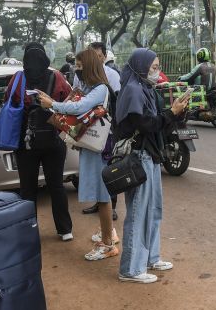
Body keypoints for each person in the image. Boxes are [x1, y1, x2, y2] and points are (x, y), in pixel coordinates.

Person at [115, 48, 188, 283]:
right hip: (139, 157)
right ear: (141, 66)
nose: (157, 72)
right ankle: (130, 269)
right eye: (153, 67)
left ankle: (150, 257)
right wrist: (171, 113)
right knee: (138, 212)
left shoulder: (146, 89)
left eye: (158, 67)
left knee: (154, 210)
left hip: (152, 155)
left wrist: (176, 113)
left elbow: (159, 125)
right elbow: (146, 124)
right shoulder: (133, 91)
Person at [38, 48, 119, 261]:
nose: (77, 69)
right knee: (101, 194)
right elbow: (74, 105)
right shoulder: (88, 86)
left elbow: (79, 107)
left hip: (98, 148)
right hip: (92, 146)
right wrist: (52, 102)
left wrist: (52, 104)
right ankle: (107, 233)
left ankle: (108, 243)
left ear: (90, 66)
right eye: (76, 65)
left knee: (102, 195)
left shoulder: (100, 88)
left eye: (80, 66)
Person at [3, 42, 74, 242]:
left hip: (25, 142)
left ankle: (29, 230)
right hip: (53, 140)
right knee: (56, 186)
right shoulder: (57, 76)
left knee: (28, 188)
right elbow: (68, 101)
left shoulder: (18, 78)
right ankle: (65, 230)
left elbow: (8, 100)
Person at [80, 41, 122, 220]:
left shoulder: (111, 76)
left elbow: (115, 101)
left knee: (108, 169)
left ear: (104, 56)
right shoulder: (83, 75)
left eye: (98, 56)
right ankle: (99, 203)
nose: (95, 60)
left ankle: (110, 206)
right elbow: (79, 95)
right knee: (97, 172)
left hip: (105, 130)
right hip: (89, 129)